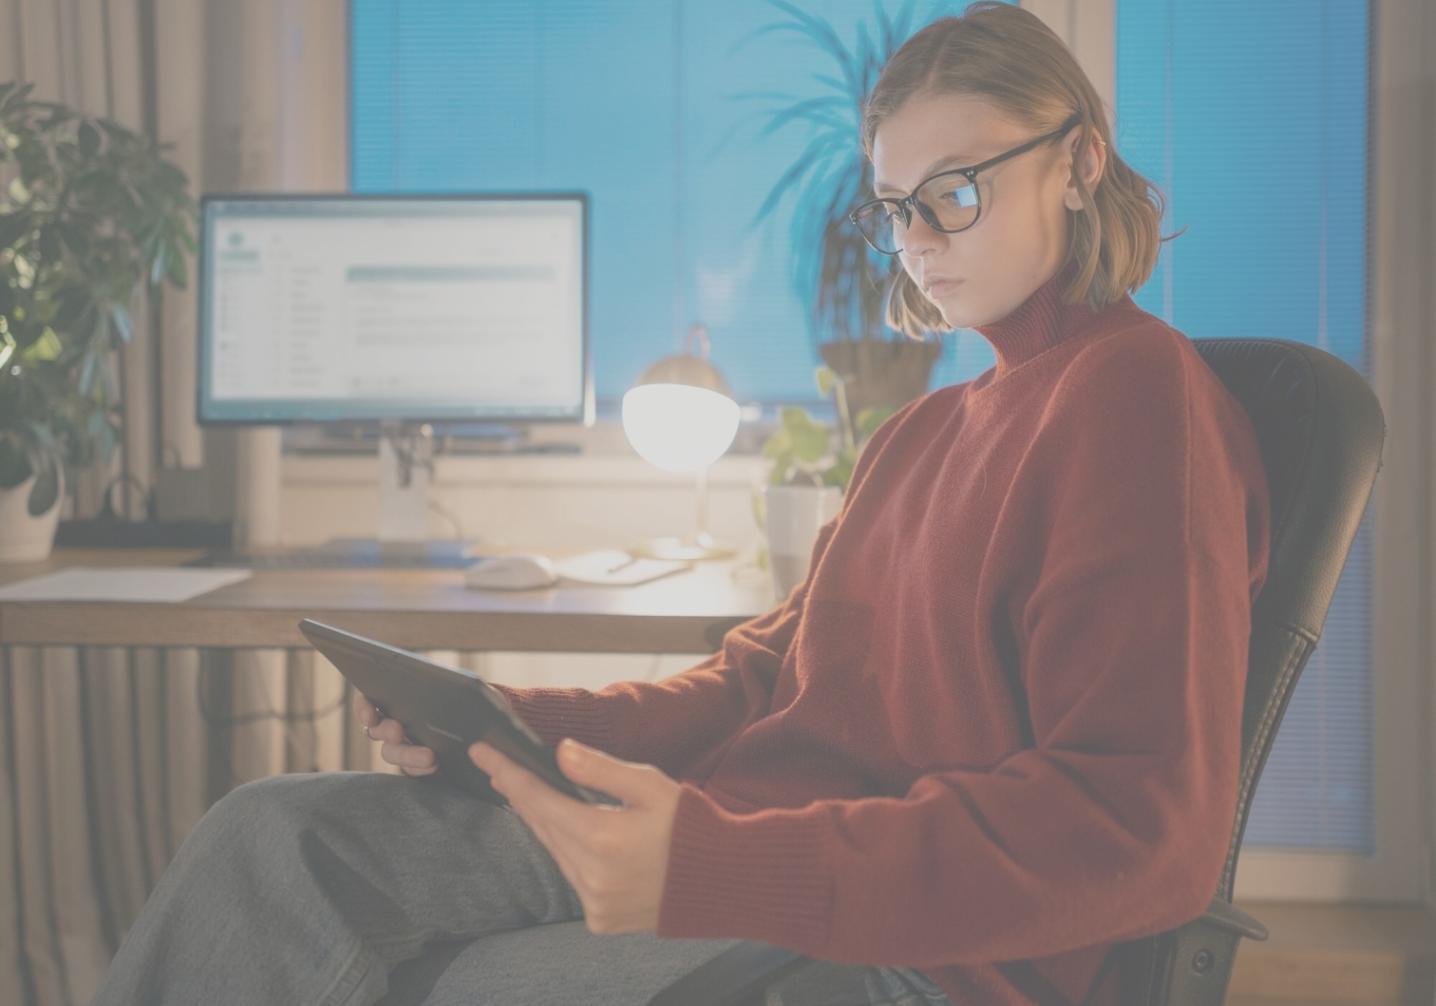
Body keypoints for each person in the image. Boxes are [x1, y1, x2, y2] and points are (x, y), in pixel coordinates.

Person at [92, 3, 1270, 1004]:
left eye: (953, 192)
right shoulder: (918, 434)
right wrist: (512, 722)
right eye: (893, 206)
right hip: (736, 848)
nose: (914, 242)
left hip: (894, 947)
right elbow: (761, 684)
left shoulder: (1135, 399)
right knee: (271, 837)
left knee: (438, 973)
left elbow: (1136, 830)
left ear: (1077, 159)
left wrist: (714, 865)